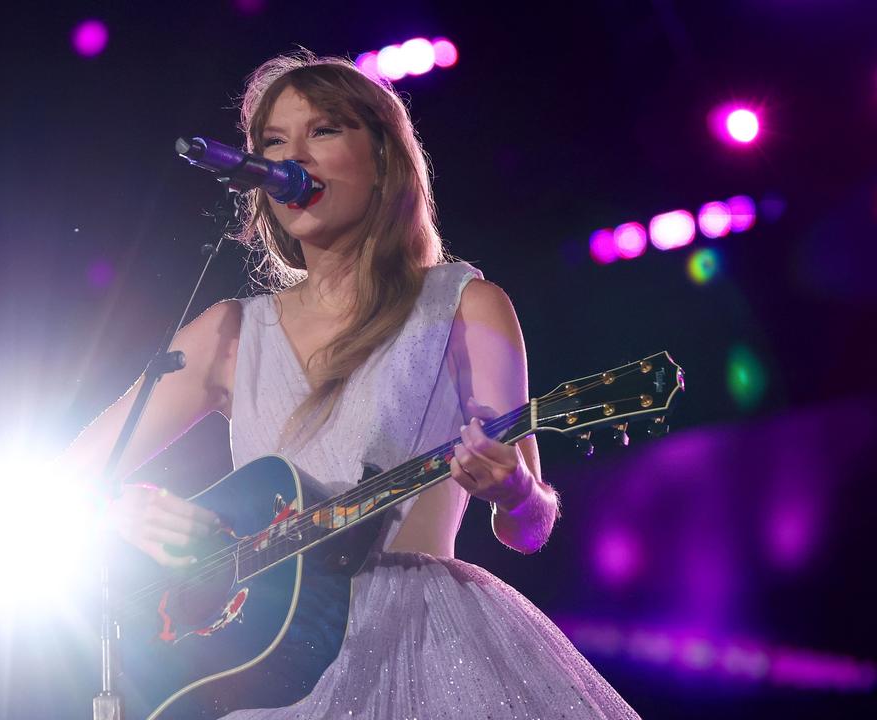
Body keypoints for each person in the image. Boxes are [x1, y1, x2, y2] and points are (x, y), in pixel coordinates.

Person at [61, 51, 638, 719]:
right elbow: (69, 478)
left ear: (385, 159)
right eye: (273, 144)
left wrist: (512, 488)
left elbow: (529, 527)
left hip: (421, 647)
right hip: (262, 667)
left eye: (324, 132)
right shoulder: (227, 333)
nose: (292, 159)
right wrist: (124, 513)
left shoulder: (464, 304)